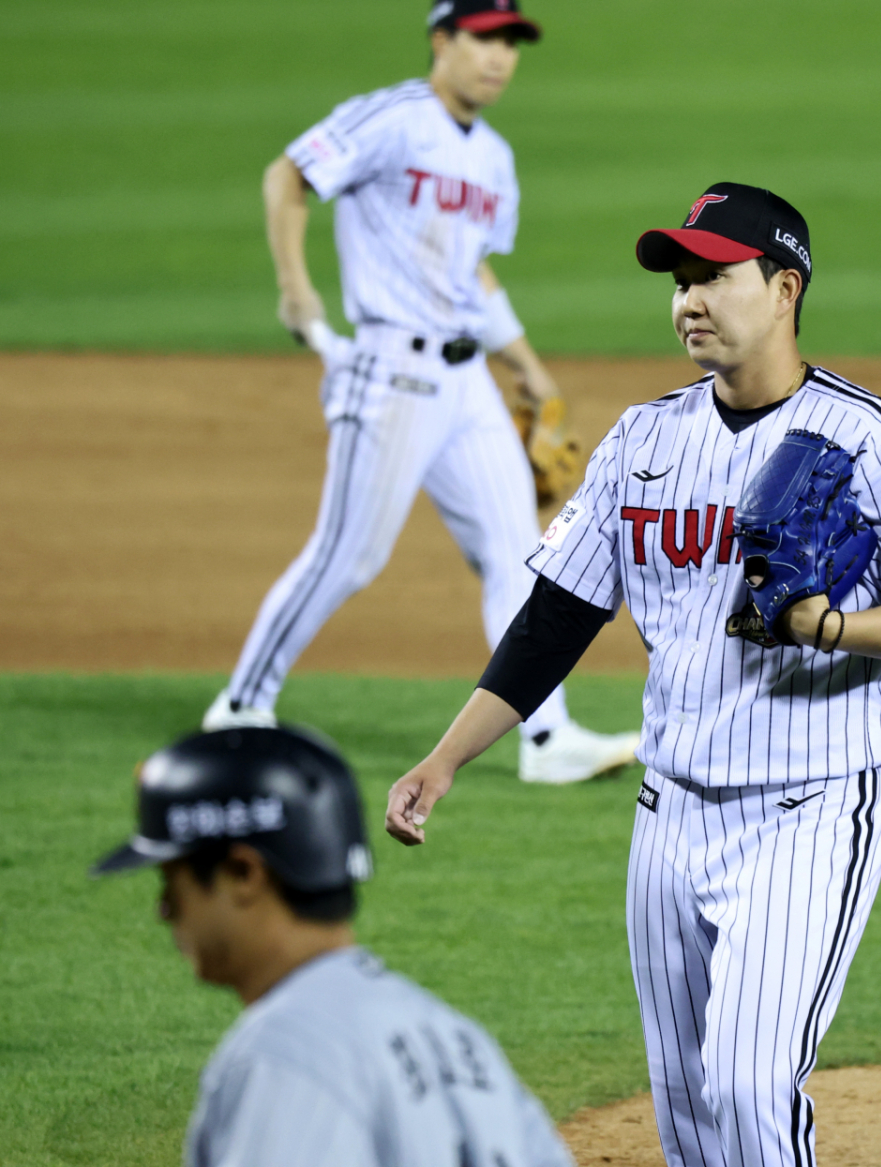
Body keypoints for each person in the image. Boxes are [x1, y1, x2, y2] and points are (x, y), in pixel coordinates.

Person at [385, 183, 881, 1166]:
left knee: (747, 1087)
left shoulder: (874, 436)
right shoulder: (643, 438)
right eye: (679, 281)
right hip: (668, 814)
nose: (689, 300)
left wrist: (829, 625)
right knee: (687, 1112)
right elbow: (556, 619)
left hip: (811, 808)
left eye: (714, 276)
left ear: (785, 289)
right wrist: (445, 760)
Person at [201, 0, 639, 785]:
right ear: (442, 41)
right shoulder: (394, 118)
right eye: (484, 40)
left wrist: (526, 365)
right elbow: (288, 174)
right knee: (349, 553)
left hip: (467, 382)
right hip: (391, 367)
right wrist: (296, 288)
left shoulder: (494, 156)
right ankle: (240, 706)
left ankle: (546, 736)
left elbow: (472, 270)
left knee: (519, 552)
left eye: (511, 43)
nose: (499, 58)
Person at [91, 725, 574, 1167]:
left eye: (171, 882)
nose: (164, 910)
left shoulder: (284, 1057)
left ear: (243, 874)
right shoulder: (458, 1040)